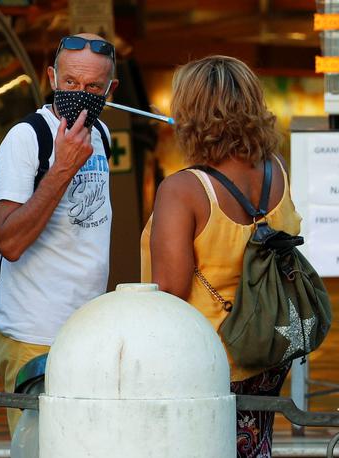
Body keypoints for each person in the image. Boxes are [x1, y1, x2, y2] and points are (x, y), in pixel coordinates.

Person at [141, 55, 301, 458]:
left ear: (190, 114)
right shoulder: (275, 171)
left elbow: (171, 291)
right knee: (253, 446)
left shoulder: (183, 190)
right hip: (267, 348)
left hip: (208, 359)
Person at [0, 33, 119, 434]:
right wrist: (62, 169)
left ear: (111, 90)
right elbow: (9, 242)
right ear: (52, 79)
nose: (82, 93)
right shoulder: (27, 138)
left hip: (87, 333)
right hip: (32, 334)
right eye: (72, 82)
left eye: (94, 86)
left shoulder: (102, 136)